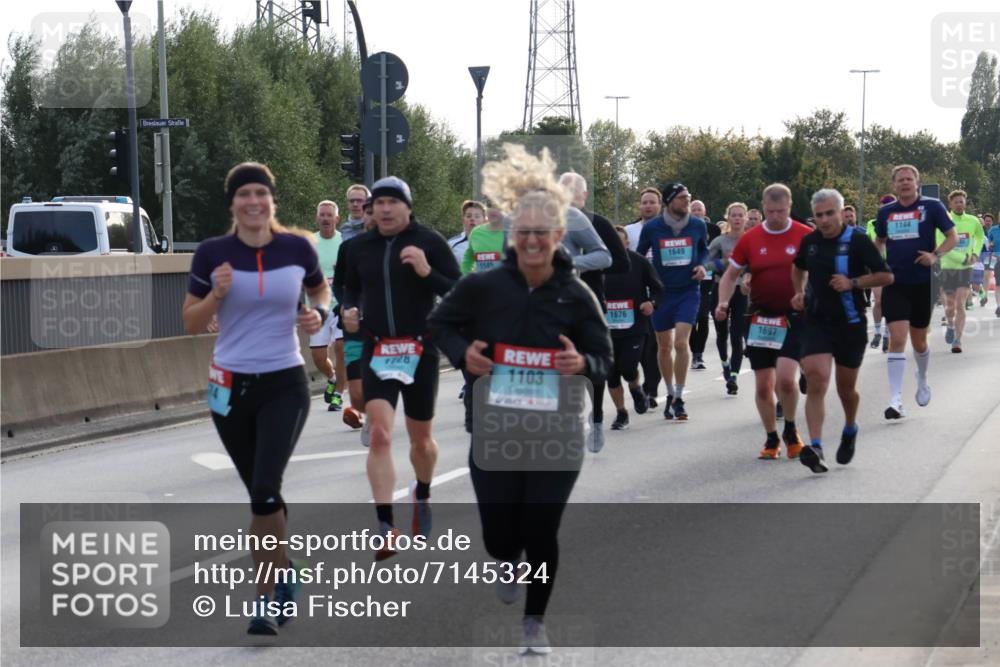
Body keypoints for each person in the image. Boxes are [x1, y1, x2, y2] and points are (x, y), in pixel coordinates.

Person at [428, 143, 612, 655]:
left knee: (542, 527)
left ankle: (535, 622)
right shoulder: (485, 287)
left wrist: (582, 364)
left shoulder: (575, 295)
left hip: (557, 431)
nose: (532, 241)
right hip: (495, 428)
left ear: (558, 236)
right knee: (500, 534)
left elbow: (604, 356)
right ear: (513, 236)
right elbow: (440, 323)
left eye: (541, 232)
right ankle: (506, 559)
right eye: (523, 232)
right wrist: (464, 353)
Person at [182, 162, 329, 635]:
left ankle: (264, 601)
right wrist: (216, 296)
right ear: (232, 203)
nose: (253, 202)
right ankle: (286, 568)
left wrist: (318, 314)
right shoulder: (212, 253)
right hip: (229, 386)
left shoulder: (296, 248)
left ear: (271, 200)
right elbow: (190, 321)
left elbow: (320, 290)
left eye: (260, 194)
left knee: (265, 491)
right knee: (261, 496)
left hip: (284, 382)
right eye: (244, 194)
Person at [341, 176, 461, 559]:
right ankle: (386, 526)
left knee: (421, 442)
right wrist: (347, 310)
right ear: (371, 210)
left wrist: (427, 272)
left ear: (408, 207)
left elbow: (458, 291)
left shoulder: (429, 242)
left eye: (393, 202)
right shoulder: (358, 248)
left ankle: (421, 492)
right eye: (379, 203)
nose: (385, 209)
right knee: (379, 434)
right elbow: (346, 288)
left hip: (420, 349)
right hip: (378, 348)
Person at [790, 189, 894, 473]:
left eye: (829, 213)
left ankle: (850, 428)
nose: (824, 220)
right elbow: (798, 268)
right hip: (817, 321)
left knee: (845, 390)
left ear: (841, 212)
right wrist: (798, 292)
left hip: (850, 323)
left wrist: (854, 283)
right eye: (819, 215)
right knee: (816, 379)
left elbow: (886, 275)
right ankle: (816, 447)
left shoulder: (858, 241)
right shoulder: (810, 241)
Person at [715, 183, 810, 459]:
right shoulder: (751, 238)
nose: (775, 217)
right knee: (763, 384)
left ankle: (790, 428)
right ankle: (771, 438)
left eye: (781, 211)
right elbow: (730, 275)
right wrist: (723, 301)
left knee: (786, 380)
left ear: (789, 207)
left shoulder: (805, 235)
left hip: (793, 316)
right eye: (770, 211)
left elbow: (819, 271)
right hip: (760, 317)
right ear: (763, 207)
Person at [873, 165, 958, 419]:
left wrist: (935, 255)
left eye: (909, 179)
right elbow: (879, 241)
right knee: (897, 338)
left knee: (919, 341)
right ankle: (896, 400)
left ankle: (922, 377)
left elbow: (952, 236)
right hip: (895, 283)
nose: (905, 183)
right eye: (900, 180)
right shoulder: (886, 212)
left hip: (923, 282)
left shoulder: (932, 206)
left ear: (917, 182)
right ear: (894, 185)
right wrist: (878, 264)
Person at [559, 171, 630, 451]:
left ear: (584, 195)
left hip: (591, 300)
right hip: (557, 303)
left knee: (592, 364)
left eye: (572, 193)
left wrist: (579, 264)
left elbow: (620, 262)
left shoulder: (597, 223)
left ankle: (597, 416)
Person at [635, 183, 710, 421]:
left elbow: (704, 251)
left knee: (680, 342)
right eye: (681, 197)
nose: (687, 201)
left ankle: (679, 397)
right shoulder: (653, 227)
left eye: (688, 196)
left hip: (688, 291)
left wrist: (702, 266)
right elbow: (639, 256)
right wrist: (641, 286)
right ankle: (669, 393)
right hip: (662, 293)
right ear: (669, 201)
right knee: (664, 346)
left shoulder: (697, 225)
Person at [605, 225, 663, 431]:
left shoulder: (639, 262)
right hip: (606, 329)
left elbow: (658, 288)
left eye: (618, 240)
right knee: (611, 374)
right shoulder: (597, 264)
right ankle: (621, 413)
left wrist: (651, 303)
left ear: (627, 242)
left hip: (635, 325)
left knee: (628, 367)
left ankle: (636, 388)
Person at [331, 197, 376, 432]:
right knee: (357, 392)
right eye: (368, 212)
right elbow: (338, 285)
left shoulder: (396, 247)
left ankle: (374, 419)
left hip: (383, 327)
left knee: (377, 378)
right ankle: (363, 410)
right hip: (354, 326)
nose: (372, 216)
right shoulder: (348, 248)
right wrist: (345, 305)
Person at [625, 187, 666, 409]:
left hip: (660, 293)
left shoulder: (668, 229)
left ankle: (651, 389)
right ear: (639, 206)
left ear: (660, 206)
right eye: (644, 202)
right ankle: (639, 385)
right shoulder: (629, 231)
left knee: (655, 346)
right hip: (636, 296)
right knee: (638, 345)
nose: (648, 206)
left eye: (652, 202)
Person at [707, 202, 749, 395]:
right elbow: (705, 263)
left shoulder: (750, 240)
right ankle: (725, 362)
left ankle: (733, 376)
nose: (737, 218)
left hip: (741, 291)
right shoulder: (720, 241)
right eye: (734, 215)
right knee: (722, 333)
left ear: (745, 218)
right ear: (728, 218)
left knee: (737, 334)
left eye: (741, 215)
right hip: (720, 289)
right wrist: (724, 263)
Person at [309, 200, 347, 411]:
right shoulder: (309, 243)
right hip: (318, 308)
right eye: (322, 215)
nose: (325, 218)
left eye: (329, 215)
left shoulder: (344, 242)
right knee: (318, 357)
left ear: (337, 219)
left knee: (342, 349)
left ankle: (338, 396)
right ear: (317, 218)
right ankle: (332, 378)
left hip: (341, 306)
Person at [939, 190, 985, 352]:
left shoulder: (973, 221)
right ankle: (950, 326)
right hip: (947, 268)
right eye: (956, 202)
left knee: (960, 304)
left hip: (965, 269)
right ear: (950, 204)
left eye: (961, 201)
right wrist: (963, 258)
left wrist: (975, 254)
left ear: (965, 203)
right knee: (950, 307)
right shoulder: (943, 220)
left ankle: (957, 340)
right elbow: (942, 245)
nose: (959, 204)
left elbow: (980, 237)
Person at [688, 199, 721, 371]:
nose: (696, 212)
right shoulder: (683, 228)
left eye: (699, 209)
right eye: (693, 209)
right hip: (689, 279)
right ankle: (694, 351)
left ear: (704, 212)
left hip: (709, 279)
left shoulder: (714, 230)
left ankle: (698, 354)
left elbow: (720, 254)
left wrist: (715, 268)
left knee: (702, 316)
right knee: (690, 319)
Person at [868, 194, 896, 352]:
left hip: (894, 266)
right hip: (877, 267)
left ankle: (887, 335)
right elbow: (869, 244)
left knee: (890, 302)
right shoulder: (872, 224)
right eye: (884, 205)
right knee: (878, 301)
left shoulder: (899, 223)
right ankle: (878, 332)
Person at [461, 201, 505, 274]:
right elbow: (468, 258)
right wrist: (464, 277)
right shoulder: (476, 232)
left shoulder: (512, 233)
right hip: (481, 280)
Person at [449, 200, 485, 268]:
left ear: (484, 221)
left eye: (477, 216)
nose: (472, 219)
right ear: (462, 220)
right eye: (468, 216)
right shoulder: (451, 244)